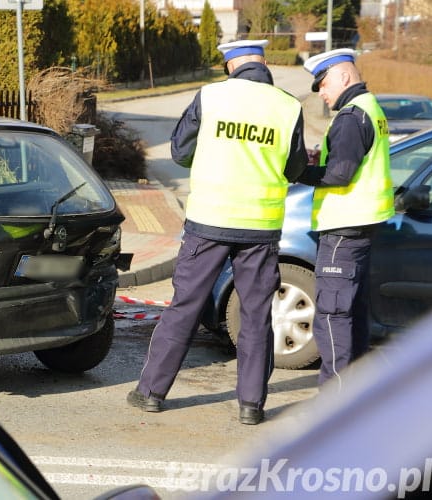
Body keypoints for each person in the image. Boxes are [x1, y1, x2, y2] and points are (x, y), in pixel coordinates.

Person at [126, 40, 309, 425]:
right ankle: (251, 406)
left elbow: (179, 152)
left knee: (185, 307)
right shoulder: (288, 105)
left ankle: (152, 393)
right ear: (263, 63)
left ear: (231, 65)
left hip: (209, 222)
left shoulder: (211, 96)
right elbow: (294, 169)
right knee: (257, 315)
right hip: (260, 228)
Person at [298, 49, 395, 387]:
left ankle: (335, 395)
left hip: (343, 227)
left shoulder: (352, 116)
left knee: (333, 314)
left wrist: (300, 171)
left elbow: (339, 174)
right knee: (353, 311)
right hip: (364, 224)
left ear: (343, 76)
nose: (321, 93)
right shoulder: (372, 108)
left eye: (323, 84)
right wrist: (320, 159)